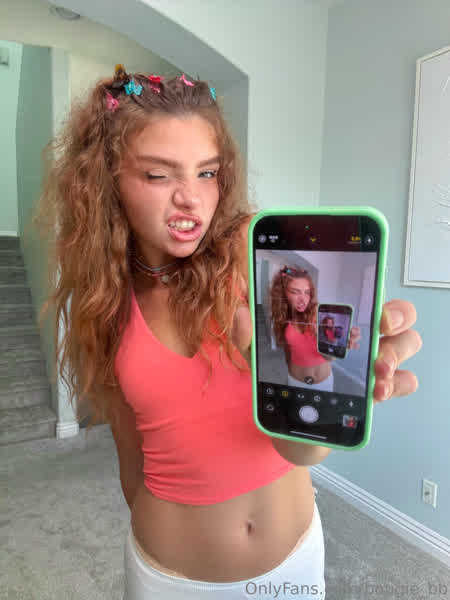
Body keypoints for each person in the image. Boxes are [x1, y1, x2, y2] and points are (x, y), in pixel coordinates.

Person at [30, 65, 423, 599]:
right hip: (169, 579)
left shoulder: (250, 253)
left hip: (293, 565)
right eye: (158, 175)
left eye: (207, 172)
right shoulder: (104, 301)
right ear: (107, 181)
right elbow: (131, 459)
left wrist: (325, 387)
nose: (191, 199)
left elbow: (302, 452)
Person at [271, 267, 352, 392]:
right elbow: (288, 352)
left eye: (307, 292)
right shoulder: (283, 319)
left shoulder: (319, 315)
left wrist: (331, 341)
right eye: (295, 292)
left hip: (323, 382)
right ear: (283, 293)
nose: (303, 299)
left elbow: (330, 358)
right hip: (295, 380)